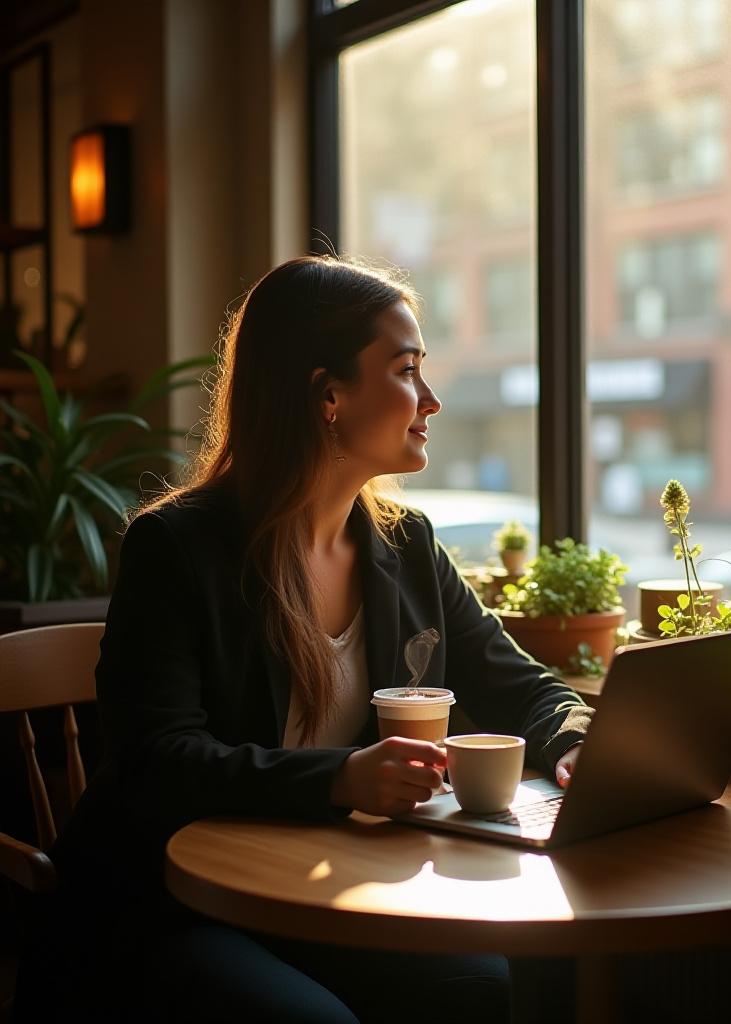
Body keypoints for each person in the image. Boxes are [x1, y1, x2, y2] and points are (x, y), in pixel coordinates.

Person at [14, 255, 592, 1023]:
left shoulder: (408, 545)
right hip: (165, 900)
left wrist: (573, 742)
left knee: (480, 982)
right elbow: (155, 761)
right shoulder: (177, 547)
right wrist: (340, 778)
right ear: (328, 395)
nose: (432, 400)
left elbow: (524, 686)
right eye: (406, 371)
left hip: (324, 885)